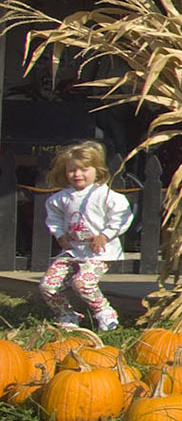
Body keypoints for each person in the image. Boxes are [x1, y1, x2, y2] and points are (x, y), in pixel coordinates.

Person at [38, 140, 134, 330]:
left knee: (82, 283)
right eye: (72, 170)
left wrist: (105, 235)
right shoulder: (61, 198)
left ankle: (105, 313)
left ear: (97, 170)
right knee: (47, 285)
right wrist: (59, 234)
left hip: (98, 252)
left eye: (84, 169)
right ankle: (67, 315)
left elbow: (122, 216)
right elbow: (54, 218)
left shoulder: (105, 195)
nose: (77, 174)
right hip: (73, 250)